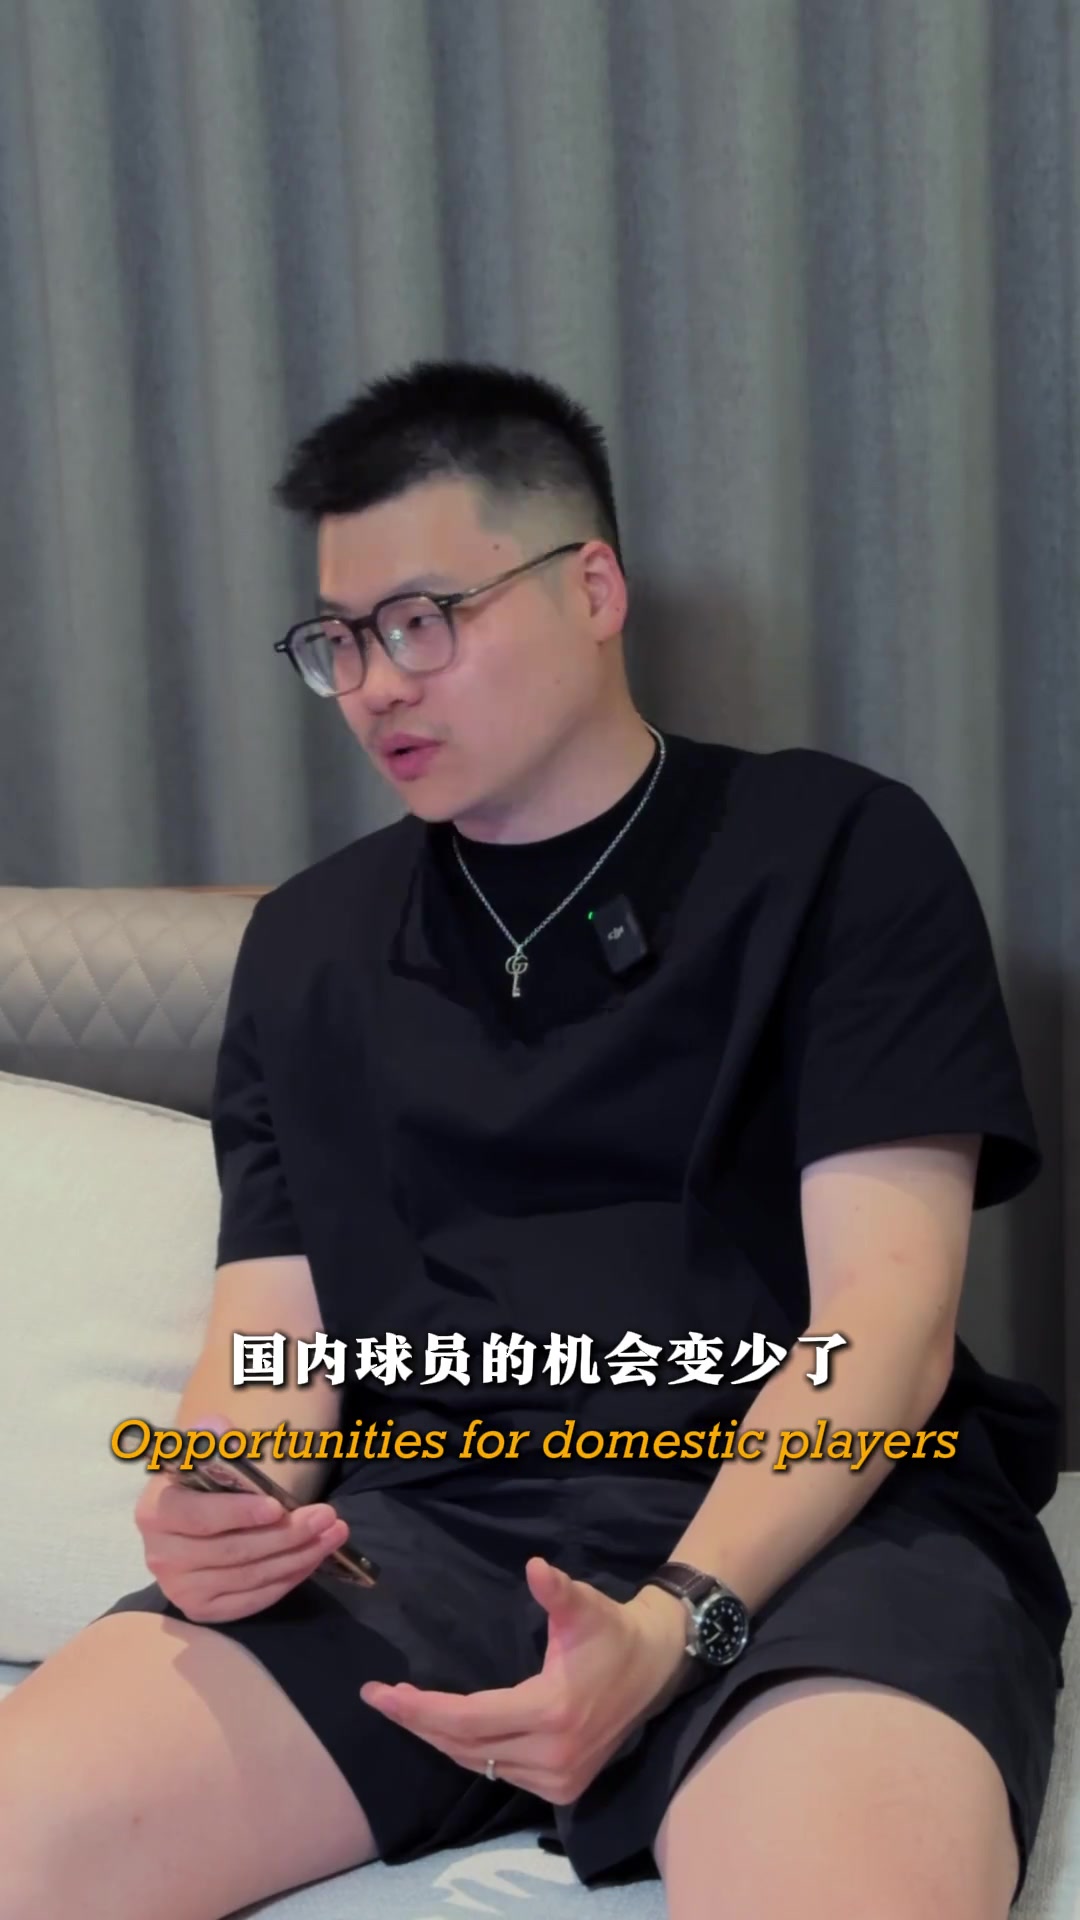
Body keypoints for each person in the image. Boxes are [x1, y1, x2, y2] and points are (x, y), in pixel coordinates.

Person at [1, 359, 1071, 1920]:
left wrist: (681, 1618)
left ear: (592, 587)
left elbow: (882, 1325)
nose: (375, 683)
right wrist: (215, 1495)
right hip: (433, 1534)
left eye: (422, 619)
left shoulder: (837, 851)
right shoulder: (308, 947)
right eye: (337, 640)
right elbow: (272, 1343)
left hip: (820, 1532)